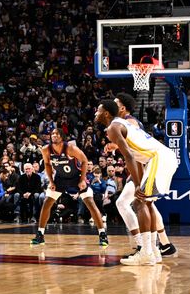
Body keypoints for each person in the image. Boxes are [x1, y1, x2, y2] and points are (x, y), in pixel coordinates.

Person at [95, 100, 176, 265]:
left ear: (106, 113)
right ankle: (153, 252)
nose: (95, 113)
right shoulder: (122, 123)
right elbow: (135, 151)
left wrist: (138, 184)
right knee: (146, 203)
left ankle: (146, 253)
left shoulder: (113, 128)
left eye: (98, 110)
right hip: (163, 157)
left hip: (158, 158)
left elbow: (130, 157)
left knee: (140, 203)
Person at [31, 128, 109, 247]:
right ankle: (40, 235)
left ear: (62, 137)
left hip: (76, 178)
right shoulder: (46, 149)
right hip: (60, 179)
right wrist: (51, 181)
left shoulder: (70, 148)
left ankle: (102, 234)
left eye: (57, 134)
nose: (54, 136)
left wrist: (82, 179)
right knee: (47, 202)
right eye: (52, 134)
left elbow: (84, 161)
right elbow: (47, 164)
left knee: (90, 203)